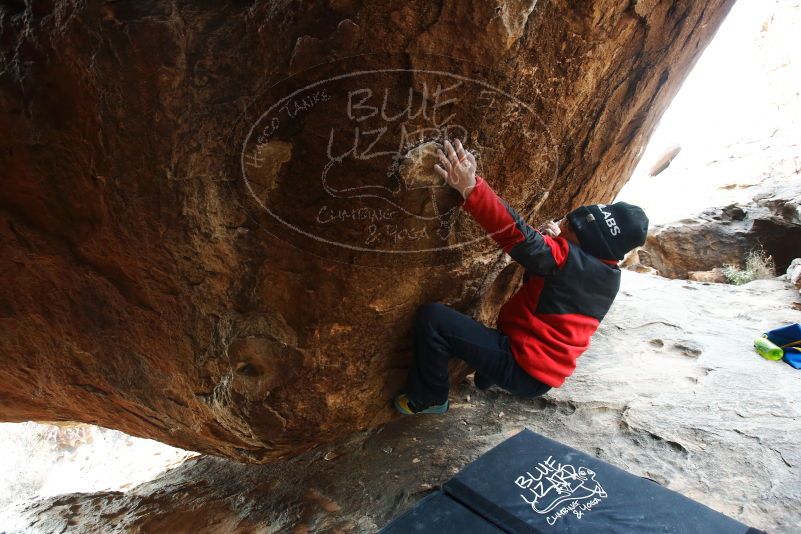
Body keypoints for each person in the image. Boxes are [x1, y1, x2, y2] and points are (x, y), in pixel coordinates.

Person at [394, 140, 649, 415]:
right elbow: (558, 284)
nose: (563, 224)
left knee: (434, 320)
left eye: (571, 227)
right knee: (515, 319)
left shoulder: (561, 258)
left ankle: (430, 398)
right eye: (568, 219)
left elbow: (517, 234)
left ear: (590, 246)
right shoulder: (609, 275)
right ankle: (487, 374)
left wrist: (470, 187)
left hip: (521, 365)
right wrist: (561, 242)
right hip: (541, 370)